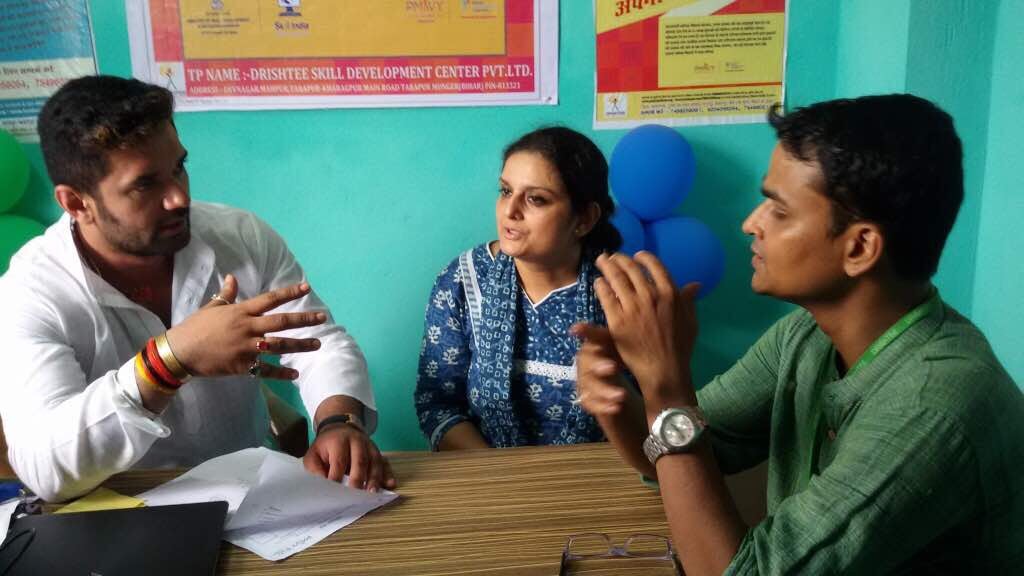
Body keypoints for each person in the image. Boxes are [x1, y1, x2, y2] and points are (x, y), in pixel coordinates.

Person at [573, 95, 1023, 574]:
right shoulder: (806, 334)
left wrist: (666, 389)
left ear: (860, 247)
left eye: (779, 210)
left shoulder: (931, 408)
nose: (751, 224)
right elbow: (684, 448)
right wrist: (617, 400)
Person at [0, 75, 396, 501]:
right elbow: (45, 469)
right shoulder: (29, 292)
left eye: (179, 167)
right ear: (77, 203)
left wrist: (338, 422)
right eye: (145, 184)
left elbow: (318, 342)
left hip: (254, 499)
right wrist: (169, 361)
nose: (178, 198)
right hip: (117, 514)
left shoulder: (240, 236)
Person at [415, 126, 623, 449]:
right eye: (505, 191)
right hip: (487, 473)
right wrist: (500, 473)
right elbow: (438, 404)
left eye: (535, 199)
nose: (510, 211)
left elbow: (653, 410)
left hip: (599, 473)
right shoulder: (463, 281)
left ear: (584, 219)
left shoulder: (621, 293)